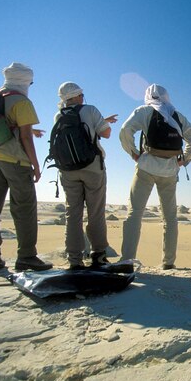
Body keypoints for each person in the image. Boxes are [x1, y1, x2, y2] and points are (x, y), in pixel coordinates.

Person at [0, 62, 53, 273]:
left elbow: (5, 126)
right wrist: (36, 165)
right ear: (25, 81)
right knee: (24, 207)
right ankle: (27, 256)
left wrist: (33, 131)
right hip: (14, 160)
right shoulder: (21, 100)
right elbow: (25, 136)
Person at [119, 84, 191, 269]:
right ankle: (168, 263)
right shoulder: (176, 115)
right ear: (166, 96)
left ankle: (126, 261)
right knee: (170, 218)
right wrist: (183, 161)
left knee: (135, 214)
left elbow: (125, 130)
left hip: (146, 168)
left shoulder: (145, 111)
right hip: (170, 171)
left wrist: (133, 153)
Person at [54, 82, 118, 269]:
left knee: (72, 214)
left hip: (67, 170)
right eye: (81, 94)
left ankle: (74, 259)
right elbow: (106, 133)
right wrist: (103, 122)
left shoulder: (59, 115)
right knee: (95, 213)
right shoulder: (90, 110)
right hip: (92, 167)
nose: (83, 97)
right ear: (76, 96)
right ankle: (98, 255)